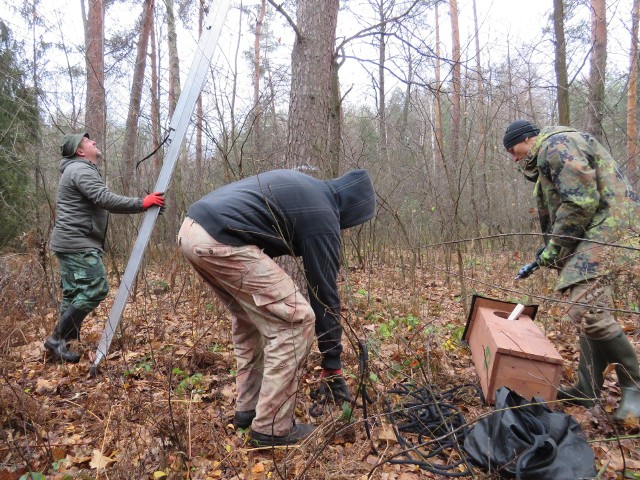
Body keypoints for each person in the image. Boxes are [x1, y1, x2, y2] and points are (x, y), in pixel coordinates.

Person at [178, 169, 376, 446]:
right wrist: (332, 364)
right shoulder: (323, 214)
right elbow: (323, 295)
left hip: (192, 230)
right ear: (353, 208)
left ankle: (247, 411)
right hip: (220, 239)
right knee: (296, 320)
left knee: (250, 319)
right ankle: (271, 429)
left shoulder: (308, 190)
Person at [504, 119, 640, 422]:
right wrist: (549, 251)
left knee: (585, 308)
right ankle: (586, 387)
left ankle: (635, 385)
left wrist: (555, 248)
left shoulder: (557, 145)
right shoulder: (550, 153)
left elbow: (580, 202)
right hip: (596, 229)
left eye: (514, 151)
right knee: (587, 309)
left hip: (610, 228)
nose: (514, 159)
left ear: (528, 140)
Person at [45, 132, 165, 363]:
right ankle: (57, 339)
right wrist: (142, 203)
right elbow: (104, 198)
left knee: (73, 294)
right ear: (80, 151)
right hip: (77, 242)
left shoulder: (77, 170)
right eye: (88, 141)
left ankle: (62, 346)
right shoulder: (80, 169)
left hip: (70, 241)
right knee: (96, 288)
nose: (94, 141)